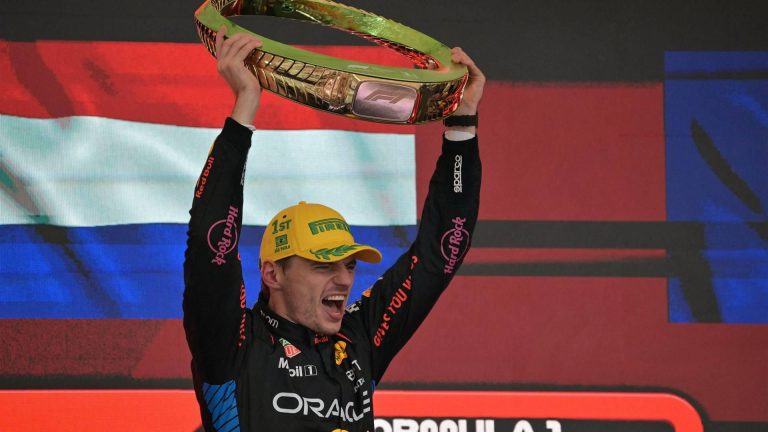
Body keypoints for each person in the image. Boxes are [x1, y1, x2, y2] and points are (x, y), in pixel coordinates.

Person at [183, 27, 484, 432]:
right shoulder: (234, 345)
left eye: (348, 264)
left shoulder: (358, 338)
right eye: (323, 265)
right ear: (273, 273)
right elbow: (210, 246)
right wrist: (244, 111)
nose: (344, 279)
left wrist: (461, 124)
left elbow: (441, 253)